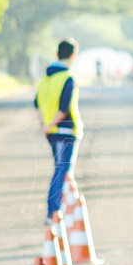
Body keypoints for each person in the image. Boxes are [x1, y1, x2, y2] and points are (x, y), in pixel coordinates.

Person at [35, 39, 84, 225]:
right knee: (62, 171)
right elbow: (64, 108)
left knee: (61, 170)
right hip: (67, 130)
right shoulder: (68, 78)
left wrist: (45, 125)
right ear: (73, 55)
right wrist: (50, 124)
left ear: (57, 55)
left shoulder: (45, 79)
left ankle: (62, 209)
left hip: (52, 133)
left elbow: (37, 103)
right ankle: (53, 212)